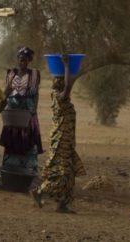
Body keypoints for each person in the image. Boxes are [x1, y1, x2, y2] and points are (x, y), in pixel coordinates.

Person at [32, 56, 86, 211]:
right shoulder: (59, 97)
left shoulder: (64, 100)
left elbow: (68, 85)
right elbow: (68, 85)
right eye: (61, 81)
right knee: (62, 174)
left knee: (70, 174)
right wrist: (67, 66)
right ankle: (39, 191)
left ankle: (62, 204)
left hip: (67, 141)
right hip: (61, 142)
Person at [0, 47, 43, 173]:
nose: (22, 62)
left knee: (28, 137)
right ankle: (10, 166)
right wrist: (0, 106)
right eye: (20, 59)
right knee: (12, 136)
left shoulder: (34, 74)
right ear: (17, 59)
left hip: (27, 110)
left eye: (25, 60)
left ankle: (28, 168)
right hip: (13, 110)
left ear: (29, 60)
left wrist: (34, 110)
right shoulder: (11, 73)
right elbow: (7, 91)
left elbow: (35, 94)